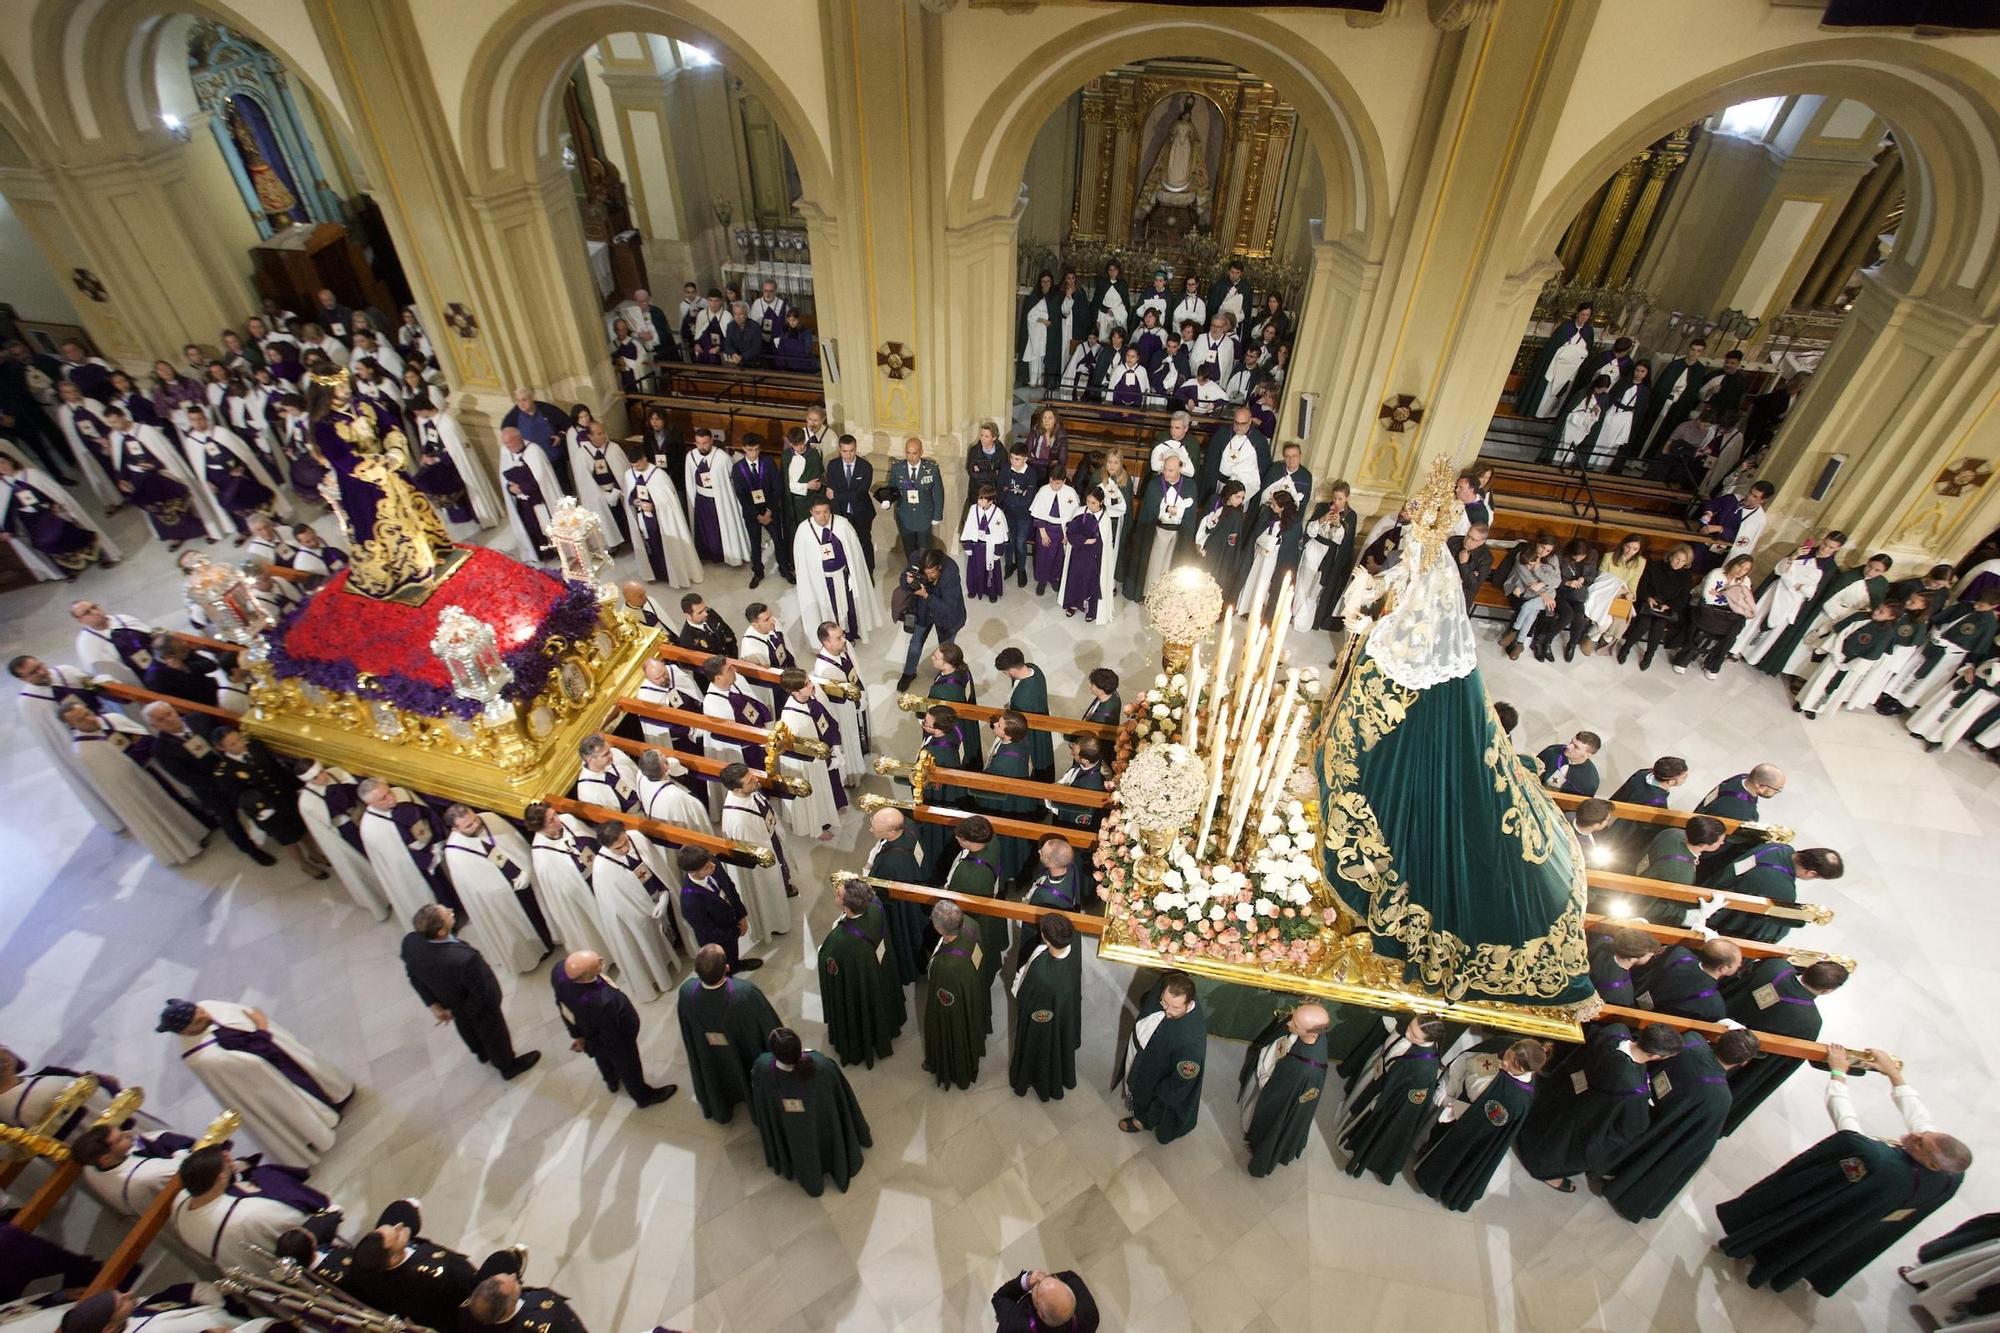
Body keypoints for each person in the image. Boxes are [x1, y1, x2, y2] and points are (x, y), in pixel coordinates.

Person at [1717, 1046, 1971, 1295]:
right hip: (1861, 1214)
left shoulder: (1878, 1160)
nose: (1914, 1135)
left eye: (1919, 1143)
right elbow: (1920, 1120)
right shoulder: (1952, 1175)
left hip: (1838, 1203)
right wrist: (1894, 1075)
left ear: (1933, 1164)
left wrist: (1838, 1073)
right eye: (1923, 1135)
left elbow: (1848, 1128)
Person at [156, 997, 351, 1166]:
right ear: (186, 1031)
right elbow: (248, 1070)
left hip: (273, 1054)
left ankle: (335, 1095)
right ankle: (315, 1129)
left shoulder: (207, 1007)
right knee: (290, 1103)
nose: (206, 1016)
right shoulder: (200, 1057)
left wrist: (261, 1029)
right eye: (198, 1021)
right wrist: (262, 1041)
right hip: (264, 1083)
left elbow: (248, 1011)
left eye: (201, 1011)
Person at [1515, 1021, 1683, 1193]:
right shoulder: (1632, 1088)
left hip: (1566, 1087)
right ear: (1656, 1056)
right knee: (1565, 1141)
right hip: (1583, 1115)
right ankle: (1546, 1172)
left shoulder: (1614, 1030)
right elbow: (1634, 1127)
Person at [400, 904, 541, 1079]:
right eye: (448, 914)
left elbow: (413, 975)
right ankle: (507, 1065)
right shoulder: (464, 959)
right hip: (475, 1003)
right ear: (441, 932)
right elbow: (480, 992)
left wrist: (434, 1004)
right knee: (493, 1031)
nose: (452, 911)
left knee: (465, 1025)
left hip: (449, 1000)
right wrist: (469, 1010)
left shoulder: (410, 942)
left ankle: (481, 1052)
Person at [59, 701, 207, 865]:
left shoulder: (113, 719)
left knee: (179, 796)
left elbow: (146, 736)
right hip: (136, 786)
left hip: (155, 768)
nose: (89, 718)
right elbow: (115, 774)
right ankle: (186, 843)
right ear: (71, 725)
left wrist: (141, 745)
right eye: (81, 719)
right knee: (160, 811)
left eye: (87, 712)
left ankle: (201, 826)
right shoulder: (84, 751)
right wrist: (136, 751)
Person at [1413, 1039, 1548, 1211]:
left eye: (1512, 1064)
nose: (1504, 1062)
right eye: (1507, 1055)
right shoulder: (1500, 1060)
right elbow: (1469, 1064)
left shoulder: (1514, 1098)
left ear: (1524, 1070)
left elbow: (1481, 1116)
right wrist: (1447, 1087)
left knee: (1455, 1155)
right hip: (1463, 1108)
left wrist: (1448, 1101)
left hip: (1472, 1128)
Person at [1720, 958, 1849, 1135]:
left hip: (1716, 1017)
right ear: (1827, 991)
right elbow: (1782, 1062)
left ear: (1809, 967)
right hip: (1735, 1059)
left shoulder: (1774, 966)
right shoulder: (1810, 1022)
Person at [169, 1143, 342, 1274]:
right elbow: (305, 1229)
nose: (230, 1158)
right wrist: (331, 1213)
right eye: (225, 1161)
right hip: (296, 1268)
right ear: (221, 1177)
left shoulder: (179, 1206)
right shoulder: (252, 1212)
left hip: (248, 1272)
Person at [550, 950, 673, 1106]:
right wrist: (593, 1045)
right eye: (598, 963)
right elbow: (611, 1034)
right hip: (616, 1036)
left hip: (587, 1029)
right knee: (628, 1064)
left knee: (601, 1055)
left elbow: (562, 1006)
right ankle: (643, 1096)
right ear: (587, 975)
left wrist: (577, 1035)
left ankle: (611, 1079)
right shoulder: (602, 1001)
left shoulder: (559, 970)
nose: (602, 961)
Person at [676, 943, 783, 1123]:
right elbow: (770, 1028)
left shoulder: (687, 992)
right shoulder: (745, 993)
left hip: (709, 1053)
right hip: (744, 1054)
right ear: (726, 968)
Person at [1337, 1013, 1445, 1183]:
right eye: (1409, 1028)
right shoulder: (1420, 1047)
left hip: (1393, 1106)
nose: (1407, 1034)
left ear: (1429, 1039)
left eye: (1414, 1035)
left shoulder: (1423, 1067)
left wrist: (1381, 1101)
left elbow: (1408, 1096)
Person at [818, 875, 907, 1068]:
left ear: (846, 907)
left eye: (839, 894)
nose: (836, 892)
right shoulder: (875, 907)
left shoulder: (842, 941)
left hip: (859, 978)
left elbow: (828, 961)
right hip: (878, 967)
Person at [589, 823, 685, 999]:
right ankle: (659, 975)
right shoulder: (603, 869)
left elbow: (654, 868)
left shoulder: (635, 838)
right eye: (619, 848)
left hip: (655, 897)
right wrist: (648, 909)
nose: (626, 848)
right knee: (649, 946)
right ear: (607, 847)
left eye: (626, 841)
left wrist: (664, 894)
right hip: (638, 917)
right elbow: (618, 905)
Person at [1237, 1003, 1331, 1178]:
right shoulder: (1313, 1035)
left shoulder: (1305, 1069)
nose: (1288, 1025)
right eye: (1292, 1018)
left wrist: (1265, 1078)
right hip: (1282, 1084)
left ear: (1313, 1033)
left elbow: (1278, 1096)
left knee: (1272, 1126)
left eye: (1295, 1024)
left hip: (1280, 1102)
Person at [1118, 970, 1206, 1142]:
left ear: (1189, 1004)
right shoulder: (1165, 986)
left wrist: (1158, 1096)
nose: (1167, 1011)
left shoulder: (1191, 1043)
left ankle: (1143, 1120)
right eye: (1164, 1003)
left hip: (1159, 1076)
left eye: (1175, 1007)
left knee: (1151, 1098)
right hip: (1147, 1058)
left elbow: (1177, 1085)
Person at [0, 452, 117, 580]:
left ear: (11, 460)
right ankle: (69, 569)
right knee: (47, 544)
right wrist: (7, 530)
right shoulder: (3, 486)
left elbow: (54, 492)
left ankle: (100, 555)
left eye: (2, 462)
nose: (1, 467)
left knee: (72, 535)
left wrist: (59, 506)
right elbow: (5, 511)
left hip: (51, 511)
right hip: (31, 520)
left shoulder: (32, 474)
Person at [296, 760, 386, 919]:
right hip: (345, 832)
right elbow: (323, 830)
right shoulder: (307, 802)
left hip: (364, 818)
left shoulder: (336, 773)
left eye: (322, 772)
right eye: (315, 778)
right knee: (366, 861)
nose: (322, 778)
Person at [356, 776, 453, 922]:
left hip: (430, 851)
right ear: (369, 803)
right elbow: (394, 858)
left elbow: (426, 815)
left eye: (389, 791)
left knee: (444, 885)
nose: (390, 798)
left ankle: (454, 907)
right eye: (383, 798)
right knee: (433, 893)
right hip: (414, 866)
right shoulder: (371, 828)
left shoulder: (400, 795)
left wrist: (435, 843)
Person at [718, 761, 797, 939]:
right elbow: (755, 852)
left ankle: (784, 885)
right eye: (749, 781)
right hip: (762, 859)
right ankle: (776, 923)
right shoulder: (739, 819)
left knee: (782, 870)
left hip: (771, 839)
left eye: (751, 775)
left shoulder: (750, 792)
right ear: (737, 790)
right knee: (769, 890)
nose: (755, 780)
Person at [1009, 913, 1082, 1103]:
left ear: (1045, 937)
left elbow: (1023, 994)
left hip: (1039, 1018)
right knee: (1057, 1042)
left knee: (1038, 1047)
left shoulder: (1041, 969)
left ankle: (1032, 1077)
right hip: (1063, 1010)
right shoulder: (1075, 945)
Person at [1704, 844, 1843, 942]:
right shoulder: (1783, 889)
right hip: (1713, 911)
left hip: (1714, 884)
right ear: (1811, 873)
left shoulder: (1778, 847)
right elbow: (1770, 926)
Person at [919, 900, 988, 1090]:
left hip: (952, 1004)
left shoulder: (945, 965)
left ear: (940, 929)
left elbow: (941, 1003)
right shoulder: (972, 924)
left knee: (955, 1028)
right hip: (972, 984)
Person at [792, 495, 881, 642]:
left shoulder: (842, 524)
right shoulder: (804, 531)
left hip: (844, 576)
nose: (823, 516)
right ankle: (833, 639)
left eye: (826, 511)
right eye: (818, 513)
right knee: (829, 609)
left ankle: (851, 633)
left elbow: (855, 554)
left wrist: (853, 574)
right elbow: (803, 562)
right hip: (822, 581)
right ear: (811, 512)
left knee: (849, 607)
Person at [1794, 601, 1902, 718]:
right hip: (1837, 654)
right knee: (1818, 681)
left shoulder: (1887, 633)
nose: (1876, 612)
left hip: (1852, 665)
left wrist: (1849, 665)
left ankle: (1816, 707)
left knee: (1833, 689)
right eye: (1877, 608)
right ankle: (1803, 703)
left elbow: (1872, 655)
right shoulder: (1860, 617)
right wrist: (1838, 655)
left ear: (1891, 617)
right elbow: (1840, 633)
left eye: (1881, 612)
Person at [862, 808, 931, 985]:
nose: (871, 831)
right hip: (916, 893)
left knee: (904, 938)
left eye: (875, 828)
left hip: (899, 909)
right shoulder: (909, 828)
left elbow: (879, 892)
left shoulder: (889, 864)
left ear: (892, 832)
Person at [622, 447, 700, 587]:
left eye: (638, 464)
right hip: (642, 518)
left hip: (661, 520)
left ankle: (672, 575)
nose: (636, 468)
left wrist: (654, 506)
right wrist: (634, 501)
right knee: (649, 547)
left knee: (664, 546)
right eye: (633, 466)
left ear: (644, 458)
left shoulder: (659, 475)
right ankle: (654, 573)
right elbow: (629, 495)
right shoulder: (629, 475)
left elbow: (669, 500)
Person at [675, 843, 757, 975]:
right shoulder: (690, 900)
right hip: (716, 938)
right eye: (707, 867)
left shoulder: (711, 863)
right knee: (722, 962)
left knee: (732, 952)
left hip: (730, 922)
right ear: (694, 872)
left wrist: (741, 916)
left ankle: (735, 965)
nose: (713, 866)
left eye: (711, 862)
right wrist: (734, 932)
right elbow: (708, 931)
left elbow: (730, 889)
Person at [899, 548, 965, 692]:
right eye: (925, 573)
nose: (928, 577)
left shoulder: (950, 572)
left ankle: (945, 677)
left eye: (932, 573)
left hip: (947, 617)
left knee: (946, 650)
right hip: (923, 610)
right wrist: (908, 580)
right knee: (915, 642)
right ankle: (908, 673)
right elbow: (903, 583)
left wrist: (926, 595)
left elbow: (949, 607)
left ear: (939, 567)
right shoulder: (916, 557)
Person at [683, 429, 751, 569]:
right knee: (704, 528)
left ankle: (726, 555)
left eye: (705, 443)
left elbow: (732, 481)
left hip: (720, 499)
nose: (702, 446)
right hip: (701, 499)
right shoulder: (691, 456)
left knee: (720, 528)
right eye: (698, 443)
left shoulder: (722, 458)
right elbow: (689, 479)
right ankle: (707, 554)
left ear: (711, 441)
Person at [1630, 937, 1743, 1021]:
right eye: (1738, 963)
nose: (1739, 965)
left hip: (1632, 994)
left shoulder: (1677, 952)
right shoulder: (1715, 1006)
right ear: (1723, 968)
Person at [1519, 302, 1596, 418]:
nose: (1584, 317)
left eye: (1587, 315)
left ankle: (1552, 414)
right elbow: (1553, 346)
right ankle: (1539, 413)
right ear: (1577, 313)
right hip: (1557, 366)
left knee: (1564, 390)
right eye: (1582, 314)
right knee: (1550, 390)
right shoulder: (1566, 327)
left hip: (1573, 369)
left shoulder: (1588, 331)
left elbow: (1589, 349)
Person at [995, 647, 1055, 782]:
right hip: (1040, 716)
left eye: (1005, 672)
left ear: (1012, 670)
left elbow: (1016, 721)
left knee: (1037, 756)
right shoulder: (1034, 669)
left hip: (1031, 730)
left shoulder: (1021, 698)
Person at [821, 433, 875, 575]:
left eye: (851, 450)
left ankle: (869, 572)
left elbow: (860, 494)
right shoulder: (833, 466)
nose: (848, 455)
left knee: (864, 542)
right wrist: (839, 498)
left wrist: (838, 495)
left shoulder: (865, 467)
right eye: (845, 451)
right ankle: (849, 572)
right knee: (843, 543)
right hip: (840, 513)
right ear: (840, 449)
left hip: (862, 513)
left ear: (856, 448)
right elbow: (830, 493)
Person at [463, 1272, 587, 1333]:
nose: (513, 1276)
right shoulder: (545, 1316)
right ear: (510, 1305)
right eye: (516, 1285)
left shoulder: (474, 1320)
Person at [887, 435, 945, 562]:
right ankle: (913, 574)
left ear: (921, 452)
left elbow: (939, 493)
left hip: (924, 515)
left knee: (925, 551)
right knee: (909, 550)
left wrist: (937, 515)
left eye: (914, 453)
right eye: (908, 453)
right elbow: (892, 488)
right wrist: (888, 500)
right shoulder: (898, 468)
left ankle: (925, 575)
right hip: (905, 516)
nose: (911, 457)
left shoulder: (931, 468)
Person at [991, 1269, 1100, 1333]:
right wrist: (1048, 1279)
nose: (1040, 1281)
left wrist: (1027, 1282)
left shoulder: (1015, 1324)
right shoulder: (1090, 1315)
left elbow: (999, 1298)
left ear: (1040, 1314)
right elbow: (1070, 1276)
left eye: (1038, 1287)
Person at [961, 483, 1008, 602]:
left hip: (989, 547)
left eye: (983, 499)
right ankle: (973, 589)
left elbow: (1000, 534)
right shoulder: (973, 509)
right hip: (977, 545)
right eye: (979, 498)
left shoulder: (997, 514)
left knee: (990, 570)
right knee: (974, 569)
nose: (980, 501)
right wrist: (968, 545)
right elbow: (968, 528)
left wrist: (998, 551)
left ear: (991, 501)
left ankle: (992, 592)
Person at [1695, 763, 1785, 822]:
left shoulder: (1742, 777)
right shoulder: (1744, 813)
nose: (1776, 792)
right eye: (1776, 790)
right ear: (1762, 787)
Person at [1533, 731, 1602, 795]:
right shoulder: (1552, 751)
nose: (1568, 747)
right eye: (1571, 742)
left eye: (1576, 747)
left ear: (1588, 755)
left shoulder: (1590, 781)